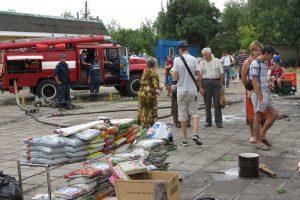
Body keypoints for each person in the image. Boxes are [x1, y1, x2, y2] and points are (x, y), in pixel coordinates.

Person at [172, 41, 202, 146]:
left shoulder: (176, 60)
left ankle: (185, 140)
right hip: (192, 90)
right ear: (187, 48)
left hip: (181, 90)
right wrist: (200, 88)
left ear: (180, 49)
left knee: (183, 115)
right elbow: (199, 76)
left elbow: (175, 77)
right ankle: (195, 133)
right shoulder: (194, 59)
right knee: (194, 113)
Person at [249, 45, 279, 150]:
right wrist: (260, 96)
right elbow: (255, 81)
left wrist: (269, 82)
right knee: (258, 116)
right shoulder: (255, 64)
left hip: (267, 92)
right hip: (259, 93)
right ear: (266, 53)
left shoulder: (265, 63)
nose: (272, 58)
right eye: (271, 55)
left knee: (275, 114)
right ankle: (258, 141)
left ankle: (262, 134)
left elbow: (263, 78)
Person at [241, 41, 265, 143]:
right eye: (256, 50)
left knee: (262, 112)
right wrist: (248, 88)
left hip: (262, 90)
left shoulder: (262, 61)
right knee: (251, 113)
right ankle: (251, 135)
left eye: (259, 50)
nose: (258, 52)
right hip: (251, 90)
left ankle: (261, 134)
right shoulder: (248, 62)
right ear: (252, 50)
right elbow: (243, 78)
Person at [199, 47, 224, 128]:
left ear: (210, 54)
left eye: (206, 55)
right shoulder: (202, 62)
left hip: (216, 82)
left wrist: (221, 85)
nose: (204, 57)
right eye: (203, 55)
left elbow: (221, 73)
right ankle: (208, 121)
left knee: (217, 103)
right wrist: (201, 88)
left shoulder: (217, 61)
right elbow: (199, 76)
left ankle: (218, 121)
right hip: (205, 82)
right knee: (207, 103)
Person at [137, 58, 162, 128]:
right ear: (154, 64)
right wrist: (159, 91)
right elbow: (155, 85)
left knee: (143, 109)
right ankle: (150, 126)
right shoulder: (153, 72)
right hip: (149, 93)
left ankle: (144, 126)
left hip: (142, 92)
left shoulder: (145, 71)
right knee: (151, 110)